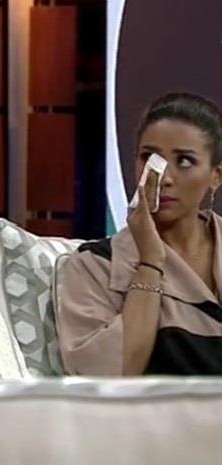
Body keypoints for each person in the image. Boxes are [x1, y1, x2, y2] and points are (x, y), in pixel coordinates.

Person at [58, 92, 222, 375]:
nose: (163, 178)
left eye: (184, 161)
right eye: (150, 158)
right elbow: (110, 376)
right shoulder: (97, 265)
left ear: (216, 176)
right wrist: (149, 262)